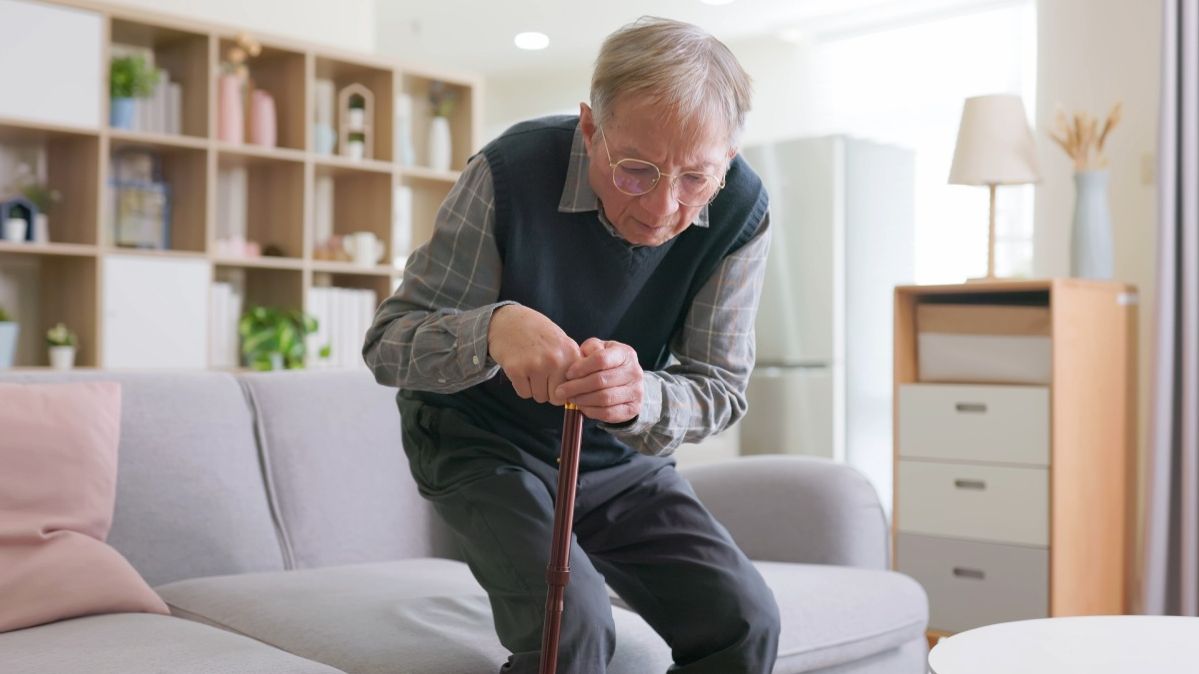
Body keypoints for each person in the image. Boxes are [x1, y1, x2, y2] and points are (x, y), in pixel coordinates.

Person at [363, 16, 778, 674]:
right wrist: (492, 330)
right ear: (590, 129)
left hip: (615, 457)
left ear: (726, 158)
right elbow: (388, 345)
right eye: (636, 170)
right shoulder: (510, 171)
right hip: (479, 439)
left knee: (743, 623)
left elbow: (719, 389)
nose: (663, 208)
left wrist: (640, 393)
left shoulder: (740, 211)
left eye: (694, 179)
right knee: (573, 626)